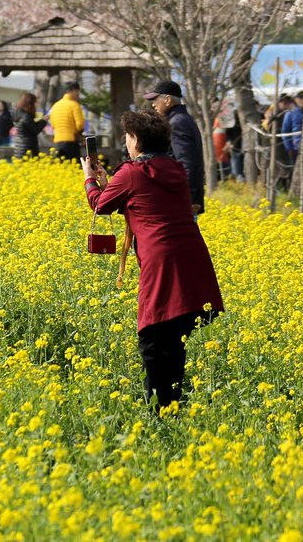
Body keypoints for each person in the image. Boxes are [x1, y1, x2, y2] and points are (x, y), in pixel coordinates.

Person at [83, 109, 224, 412]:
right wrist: (111, 182)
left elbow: (100, 206)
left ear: (136, 139)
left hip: (161, 264)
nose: (126, 142)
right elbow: (146, 203)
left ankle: (160, 415)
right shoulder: (174, 169)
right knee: (175, 340)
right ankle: (172, 407)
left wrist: (89, 180)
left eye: (127, 137)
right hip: (193, 261)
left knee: (153, 340)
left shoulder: (132, 172)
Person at [145, 80, 206, 214]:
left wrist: (187, 199)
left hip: (182, 201)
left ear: (167, 99)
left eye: (155, 99)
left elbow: (186, 163)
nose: (153, 104)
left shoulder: (177, 123)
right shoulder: (183, 119)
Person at [49, 82, 87, 160]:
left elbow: (52, 125)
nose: (78, 94)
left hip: (57, 141)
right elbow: (80, 125)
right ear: (72, 90)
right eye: (77, 91)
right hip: (71, 140)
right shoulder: (74, 105)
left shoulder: (55, 106)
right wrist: (79, 133)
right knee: (73, 164)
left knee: (61, 165)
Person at [11, 93, 46, 159]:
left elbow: (30, 126)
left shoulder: (18, 113)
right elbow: (35, 130)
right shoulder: (26, 116)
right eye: (36, 102)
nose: (37, 105)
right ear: (30, 104)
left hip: (19, 146)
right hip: (27, 148)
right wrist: (44, 120)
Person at [281, 91, 303, 160]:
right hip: (296, 148)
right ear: (296, 99)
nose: (302, 100)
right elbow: (285, 132)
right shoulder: (291, 113)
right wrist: (289, 148)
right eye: (300, 98)